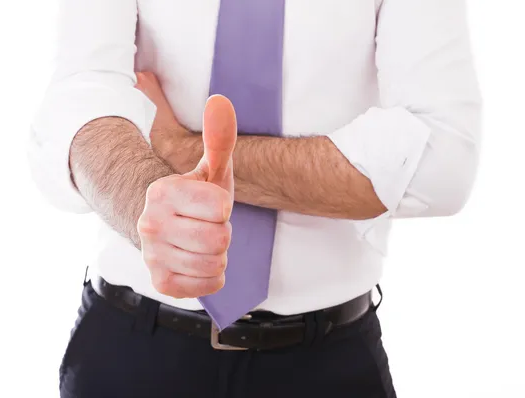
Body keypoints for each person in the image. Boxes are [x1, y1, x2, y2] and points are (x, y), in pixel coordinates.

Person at [28, 0, 481, 396]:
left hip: (327, 363)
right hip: (134, 348)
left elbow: (442, 161)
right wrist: (144, 200)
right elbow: (81, 94)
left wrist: (178, 148)